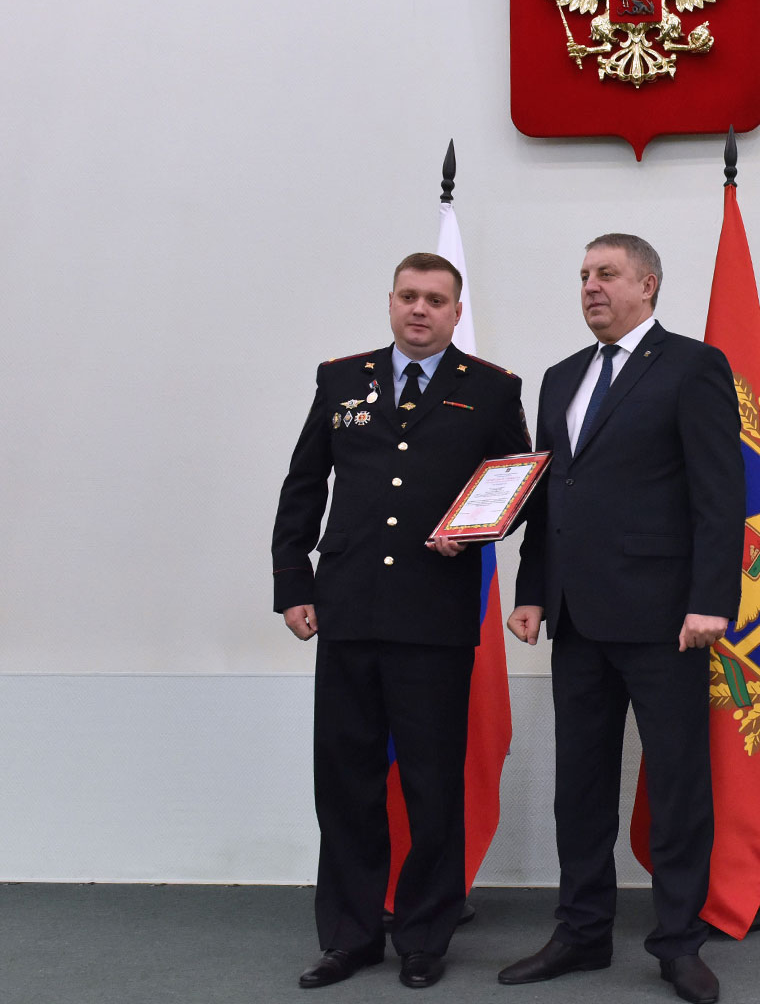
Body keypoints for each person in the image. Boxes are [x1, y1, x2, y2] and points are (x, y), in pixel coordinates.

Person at [271, 252, 531, 990]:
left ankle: (424, 935)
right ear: (390, 303)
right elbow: (303, 484)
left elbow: (518, 486)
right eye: (409, 296)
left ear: (456, 312)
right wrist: (292, 582)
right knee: (345, 780)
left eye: (436, 300)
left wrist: (475, 534)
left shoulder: (490, 389)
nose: (421, 309)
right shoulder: (340, 380)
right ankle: (349, 937)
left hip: (434, 614)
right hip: (348, 608)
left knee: (431, 784)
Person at [496, 234, 742, 1004]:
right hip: (576, 619)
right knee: (580, 786)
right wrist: (532, 590)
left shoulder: (693, 366)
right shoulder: (561, 376)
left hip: (667, 619)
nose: (591, 287)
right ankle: (582, 932)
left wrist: (711, 600)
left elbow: (718, 494)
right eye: (583, 276)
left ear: (648, 284)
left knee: (676, 786)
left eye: (606, 274)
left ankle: (678, 943)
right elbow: (549, 498)